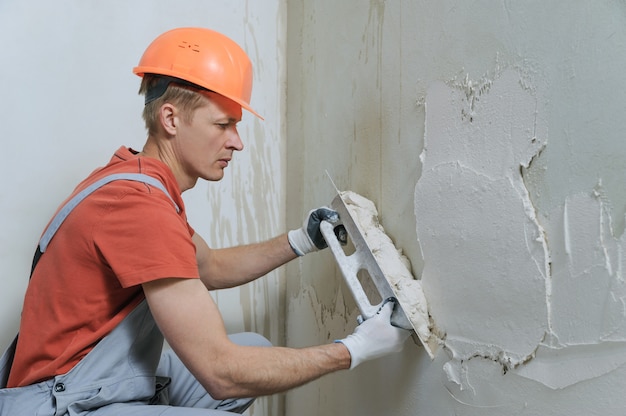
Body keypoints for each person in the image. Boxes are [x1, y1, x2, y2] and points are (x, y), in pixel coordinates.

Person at [0, 27, 410, 415]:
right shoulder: (138, 207)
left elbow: (208, 266)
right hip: (57, 403)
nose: (237, 141)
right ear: (171, 118)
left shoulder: (137, 181)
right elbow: (220, 373)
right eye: (223, 124)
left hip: (86, 382)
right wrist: (354, 349)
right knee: (231, 373)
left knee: (254, 346)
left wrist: (300, 240)